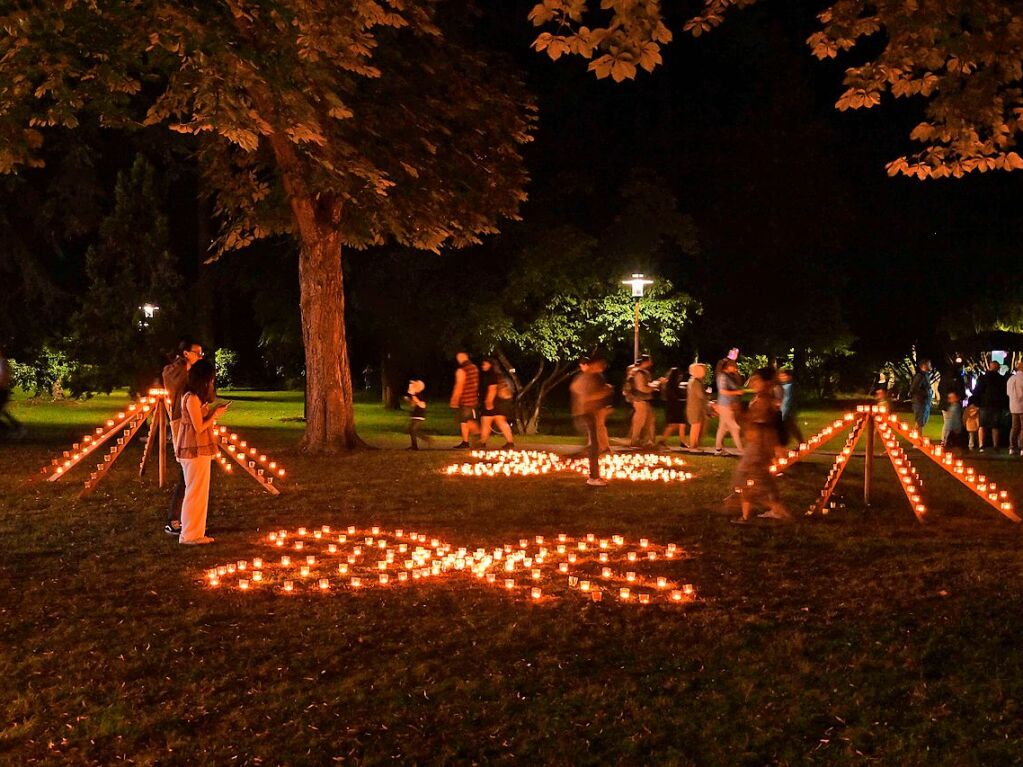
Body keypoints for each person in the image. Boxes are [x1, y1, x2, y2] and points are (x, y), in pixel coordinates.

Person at [176, 359, 228, 545]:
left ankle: (196, 531)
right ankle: (189, 534)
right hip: (194, 449)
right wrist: (214, 415)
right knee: (195, 491)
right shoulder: (191, 398)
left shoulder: (195, 398)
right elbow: (198, 427)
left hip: (198, 448)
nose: (212, 383)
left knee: (199, 491)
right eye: (211, 379)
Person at [730, 368, 791, 524]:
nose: (753, 382)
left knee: (743, 476)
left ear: (766, 382)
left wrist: (738, 413)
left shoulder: (765, 399)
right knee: (764, 477)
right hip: (759, 443)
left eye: (757, 379)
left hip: (759, 444)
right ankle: (770, 509)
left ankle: (771, 509)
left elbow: (760, 421)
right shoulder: (761, 397)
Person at [163, 338, 204, 536]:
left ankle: (187, 519)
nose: (201, 356)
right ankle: (174, 520)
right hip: (181, 422)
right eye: (198, 353)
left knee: (190, 472)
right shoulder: (173, 371)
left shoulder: (194, 371)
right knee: (185, 472)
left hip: (193, 420)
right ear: (186, 353)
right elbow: (177, 389)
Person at [571, 355, 609, 486]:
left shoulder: (588, 376)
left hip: (587, 413)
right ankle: (593, 477)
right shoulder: (588, 377)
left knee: (594, 445)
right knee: (593, 446)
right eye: (600, 364)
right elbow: (587, 397)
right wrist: (604, 393)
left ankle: (594, 475)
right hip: (585, 414)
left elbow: (574, 387)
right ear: (593, 364)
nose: (601, 367)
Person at [479, 358, 516, 450]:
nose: (482, 366)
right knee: (501, 422)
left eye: (485, 364)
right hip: (503, 402)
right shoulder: (500, 375)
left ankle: (482, 442)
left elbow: (492, 389)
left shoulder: (490, 376)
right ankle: (510, 442)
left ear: (490, 365)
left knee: (485, 421)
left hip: (494, 402)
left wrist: (488, 403)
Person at [972, 360, 1008, 452]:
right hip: (996, 405)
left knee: (982, 425)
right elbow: (1004, 394)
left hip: (984, 404)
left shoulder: (983, 378)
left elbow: (977, 391)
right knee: (995, 426)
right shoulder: (1001, 379)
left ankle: (981, 445)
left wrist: (976, 402)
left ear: (990, 367)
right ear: (998, 368)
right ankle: (995, 445)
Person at [449, 352, 480, 449]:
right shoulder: (474, 368)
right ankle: (469, 440)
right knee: (467, 420)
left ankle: (474, 438)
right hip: (473, 399)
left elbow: (459, 385)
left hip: (465, 400)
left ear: (460, 358)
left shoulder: (461, 370)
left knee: (465, 421)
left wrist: (454, 399)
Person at [625, 355, 657, 447]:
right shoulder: (638, 373)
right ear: (645, 362)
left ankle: (649, 441)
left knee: (650, 420)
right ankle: (635, 440)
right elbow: (642, 388)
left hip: (643, 400)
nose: (651, 363)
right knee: (640, 421)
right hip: (639, 400)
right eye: (650, 361)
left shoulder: (640, 372)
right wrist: (654, 386)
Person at [714, 358, 744, 455]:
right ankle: (740, 449)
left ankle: (718, 448)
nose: (736, 369)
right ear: (728, 366)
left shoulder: (729, 376)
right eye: (734, 367)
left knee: (722, 427)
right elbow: (722, 391)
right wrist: (737, 392)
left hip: (729, 405)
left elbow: (737, 384)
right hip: (725, 404)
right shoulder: (722, 376)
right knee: (734, 427)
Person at [657, 367, 685, 448]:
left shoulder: (671, 384)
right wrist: (682, 400)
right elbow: (673, 397)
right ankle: (662, 441)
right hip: (674, 407)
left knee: (679, 425)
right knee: (674, 425)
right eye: (679, 375)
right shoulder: (671, 385)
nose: (680, 377)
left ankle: (682, 442)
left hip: (674, 407)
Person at [0, 348, 25, 439]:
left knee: (2, 411)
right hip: (2, 390)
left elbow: (4, 378)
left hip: (1, 391)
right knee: (3, 412)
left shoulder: (3, 363)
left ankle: (11, 429)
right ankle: (15, 428)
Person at [777, 368, 804, 446]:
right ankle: (799, 443)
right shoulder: (783, 386)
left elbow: (789, 400)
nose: (782, 378)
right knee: (789, 428)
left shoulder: (791, 386)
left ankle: (801, 443)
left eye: (784, 376)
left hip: (789, 411)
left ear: (789, 377)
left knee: (792, 427)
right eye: (780, 376)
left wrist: (784, 410)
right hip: (785, 411)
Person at [685, 363, 708, 451]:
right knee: (695, 427)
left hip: (695, 407)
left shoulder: (694, 380)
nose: (704, 372)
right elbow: (700, 395)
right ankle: (693, 446)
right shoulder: (695, 382)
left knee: (696, 427)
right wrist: (707, 397)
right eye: (702, 370)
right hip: (695, 408)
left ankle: (694, 445)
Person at [909, 359, 933, 430]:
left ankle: (917, 437)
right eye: (929, 364)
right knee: (920, 422)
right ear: (924, 366)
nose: (930, 366)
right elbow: (914, 388)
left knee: (921, 422)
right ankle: (916, 438)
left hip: (924, 402)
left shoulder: (925, 375)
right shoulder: (920, 376)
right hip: (921, 402)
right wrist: (925, 394)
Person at [406, 379, 429, 450]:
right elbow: (413, 405)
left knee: (413, 430)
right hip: (415, 415)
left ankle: (415, 446)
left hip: (419, 416)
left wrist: (413, 396)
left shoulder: (419, 395)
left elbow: (423, 405)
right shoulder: (415, 395)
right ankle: (422, 440)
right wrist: (408, 400)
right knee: (411, 430)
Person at [1008, 361, 1023, 456]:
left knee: (1014, 427)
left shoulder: (1011, 379)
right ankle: (1022, 447)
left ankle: (1012, 447)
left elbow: (1008, 393)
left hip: (1013, 406)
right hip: (1022, 405)